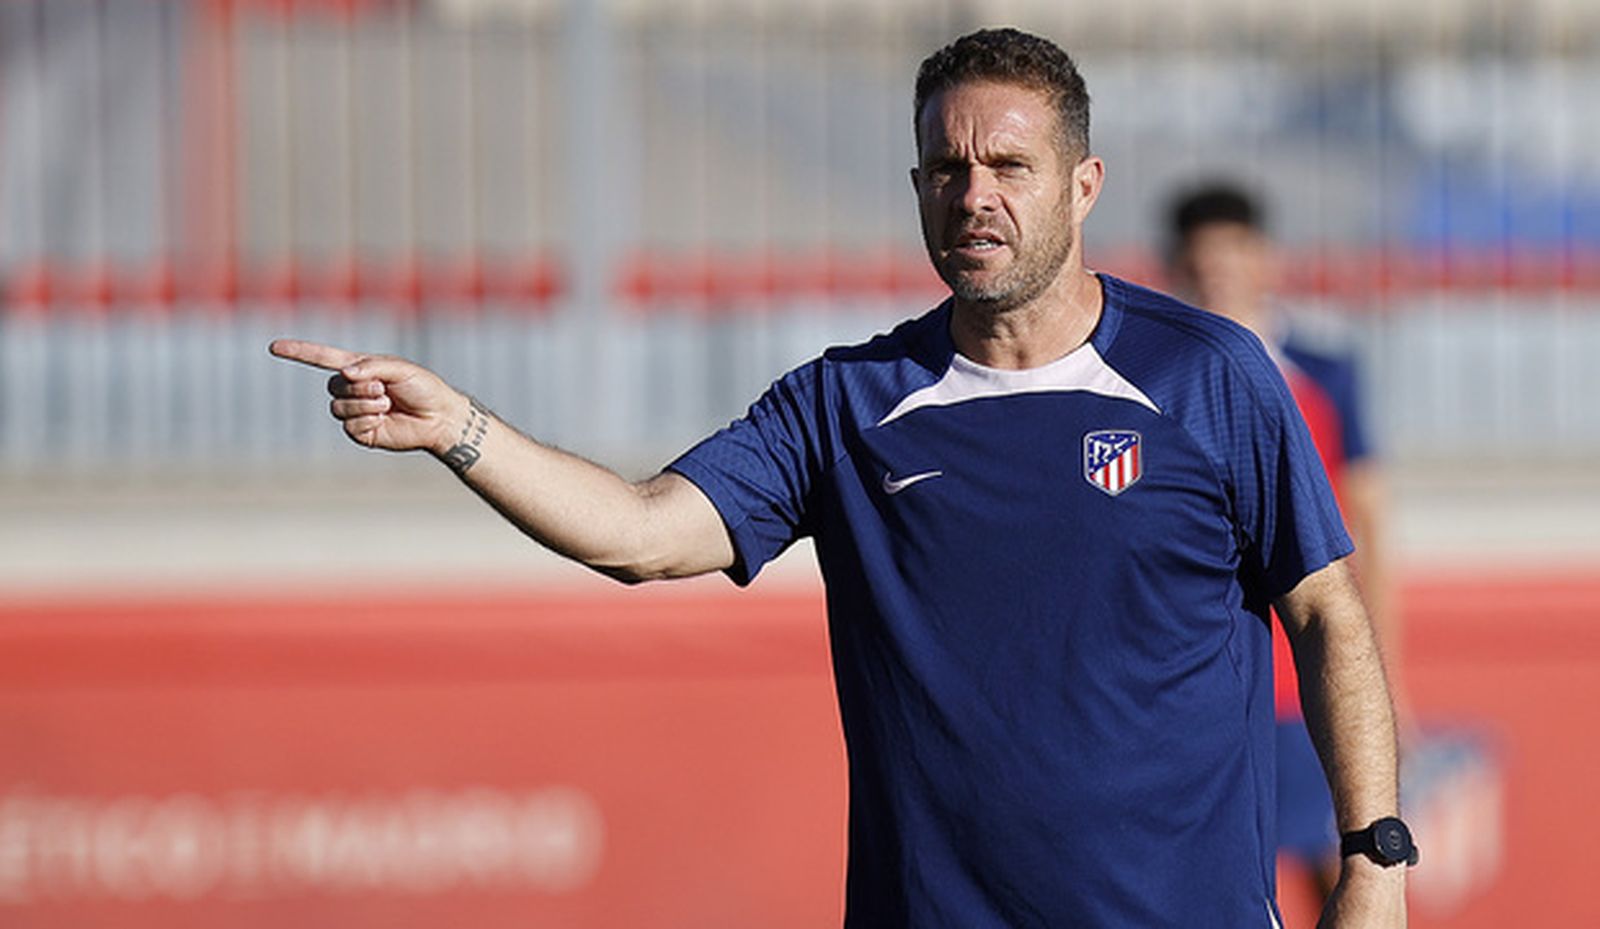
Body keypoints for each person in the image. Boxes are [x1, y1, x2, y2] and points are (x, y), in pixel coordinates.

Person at [272, 28, 1410, 927]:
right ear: (917, 185)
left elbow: (1322, 609)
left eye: (1010, 165)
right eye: (947, 168)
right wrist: (460, 427)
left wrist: (1374, 859)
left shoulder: (1209, 375)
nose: (976, 196)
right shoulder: (846, 402)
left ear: (1083, 184)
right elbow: (637, 530)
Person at [1166, 182, 1399, 907]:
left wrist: (1388, 676)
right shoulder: (1148, 379)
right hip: (1195, 687)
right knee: (1213, 886)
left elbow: (1370, 528)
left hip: (1303, 684)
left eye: (1232, 254)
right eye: (1201, 259)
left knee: (1344, 865)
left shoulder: (1322, 373)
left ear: (1264, 258)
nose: (1218, 273)